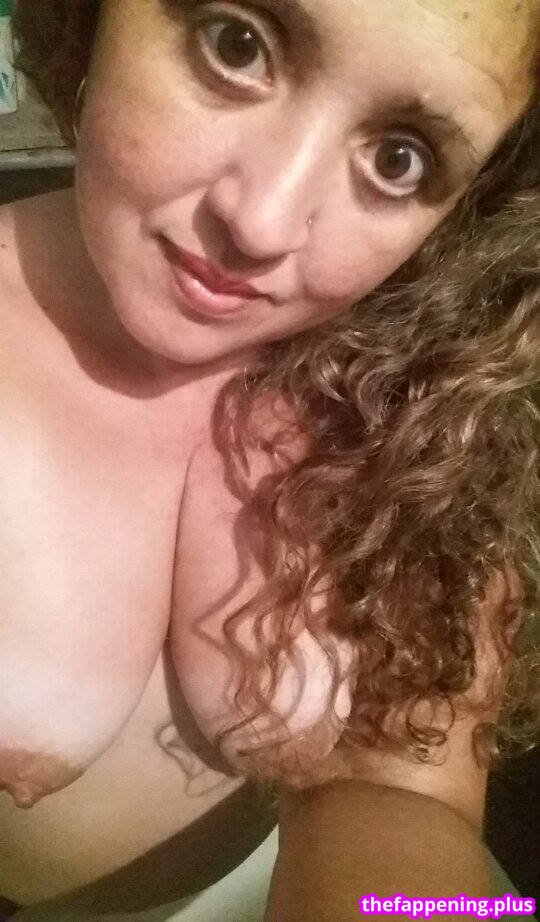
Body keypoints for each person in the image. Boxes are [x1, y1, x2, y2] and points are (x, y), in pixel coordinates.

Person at [0, 0, 538, 918]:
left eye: (399, 158)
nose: (262, 220)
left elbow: (415, 798)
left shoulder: (430, 404)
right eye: (236, 44)